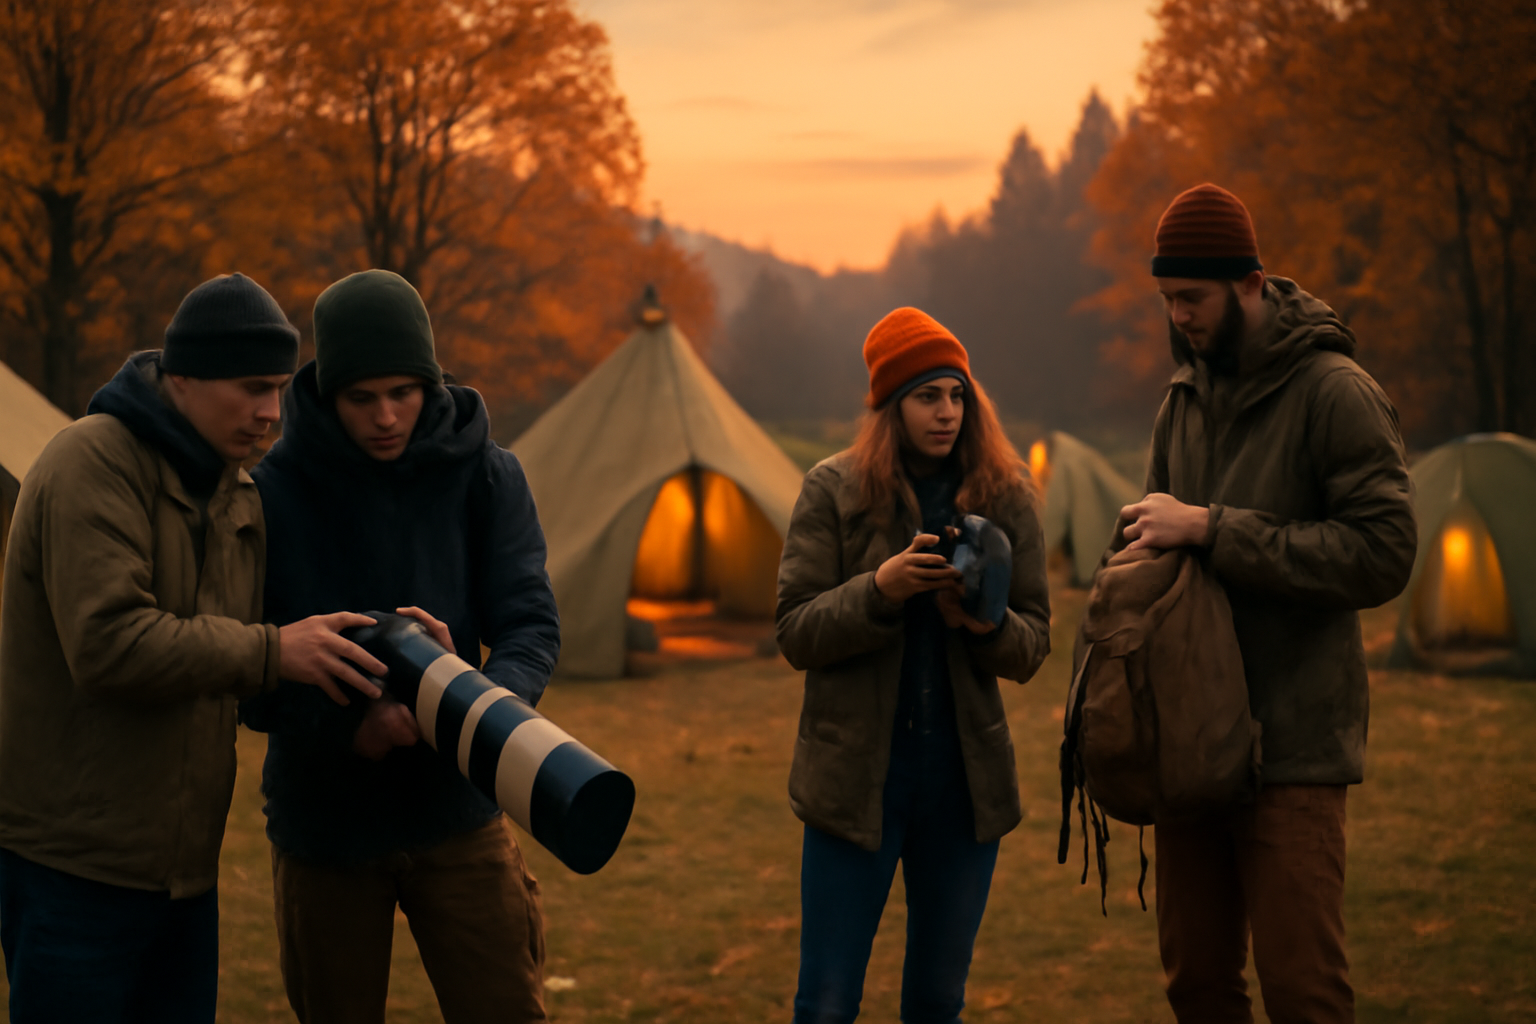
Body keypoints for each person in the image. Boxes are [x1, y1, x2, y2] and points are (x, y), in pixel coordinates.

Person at [0, 273, 387, 1023]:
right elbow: (109, 643)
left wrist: (375, 673)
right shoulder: (93, 461)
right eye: (251, 387)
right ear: (182, 379)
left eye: (278, 388)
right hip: (71, 867)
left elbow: (247, 659)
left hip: (183, 876)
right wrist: (276, 652)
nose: (271, 412)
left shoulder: (236, 492)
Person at [1122, 183, 1416, 1023]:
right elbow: (1163, 546)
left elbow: (1384, 554)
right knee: (1198, 987)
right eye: (1168, 298)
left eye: (1192, 297)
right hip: (1189, 749)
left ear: (1249, 283)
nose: (1177, 315)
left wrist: (1215, 529)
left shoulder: (1336, 392)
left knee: (1304, 994)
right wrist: (1137, 552)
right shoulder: (1181, 401)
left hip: (1293, 751)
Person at [240, 269, 560, 1024]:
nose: (386, 416)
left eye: (403, 392)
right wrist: (353, 728)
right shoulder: (270, 494)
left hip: (459, 809)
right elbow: (245, 667)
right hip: (326, 827)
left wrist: (472, 704)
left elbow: (529, 624)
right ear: (327, 392)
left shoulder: (487, 474)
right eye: (362, 398)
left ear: (431, 380)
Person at [776, 307, 1052, 1024]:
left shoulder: (1006, 494)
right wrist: (880, 590)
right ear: (890, 406)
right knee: (826, 1004)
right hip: (853, 782)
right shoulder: (832, 491)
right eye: (928, 396)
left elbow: (1034, 643)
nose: (947, 412)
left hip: (963, 790)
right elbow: (796, 631)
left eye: (958, 395)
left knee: (936, 1002)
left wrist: (982, 625)